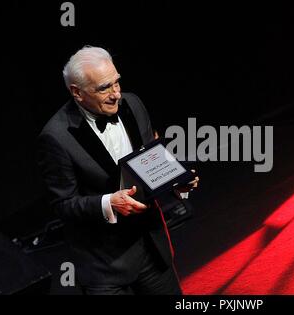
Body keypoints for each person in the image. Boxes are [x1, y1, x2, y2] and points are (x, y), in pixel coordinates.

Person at [37, 46, 198, 295]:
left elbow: (151, 157)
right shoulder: (55, 137)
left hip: (151, 250)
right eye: (104, 88)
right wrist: (108, 203)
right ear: (77, 93)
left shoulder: (132, 103)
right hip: (105, 265)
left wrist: (176, 181)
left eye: (117, 82)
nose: (116, 94)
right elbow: (63, 204)